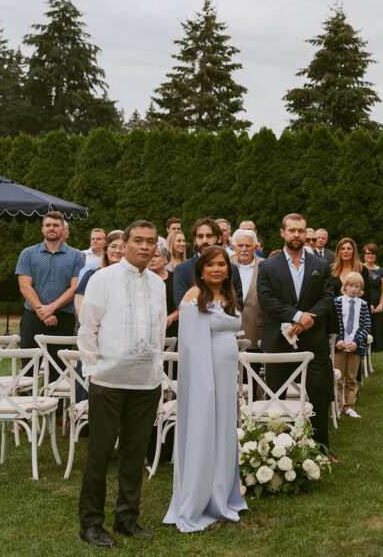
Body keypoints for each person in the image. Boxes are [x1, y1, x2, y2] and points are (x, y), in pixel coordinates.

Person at [77, 220, 165, 547]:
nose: (144, 246)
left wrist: (156, 369)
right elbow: (87, 327)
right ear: (125, 244)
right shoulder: (103, 278)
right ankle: (91, 524)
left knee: (134, 453)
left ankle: (127, 518)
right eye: (138, 240)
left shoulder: (158, 284)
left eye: (151, 241)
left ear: (157, 247)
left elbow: (159, 331)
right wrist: (92, 369)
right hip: (108, 379)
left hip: (146, 382)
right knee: (99, 453)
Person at [164, 245, 248, 532]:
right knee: (203, 434)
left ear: (228, 270)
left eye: (222, 265)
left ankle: (220, 495)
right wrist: (205, 383)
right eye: (210, 265)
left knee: (223, 432)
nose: (216, 269)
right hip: (205, 382)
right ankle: (198, 502)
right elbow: (190, 345)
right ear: (200, 270)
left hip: (225, 379)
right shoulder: (194, 297)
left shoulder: (228, 295)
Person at [257, 213, 340, 463]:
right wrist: (296, 315)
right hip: (279, 342)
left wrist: (307, 319)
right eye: (292, 230)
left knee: (319, 393)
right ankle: (276, 452)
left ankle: (320, 451)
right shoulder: (268, 266)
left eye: (301, 231)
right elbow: (266, 299)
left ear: (306, 234)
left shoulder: (320, 265)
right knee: (276, 397)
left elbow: (327, 297)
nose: (297, 235)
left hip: (314, 342)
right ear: (282, 233)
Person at [16, 211, 84, 364]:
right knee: (29, 368)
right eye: (48, 225)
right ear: (42, 229)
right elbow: (25, 287)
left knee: (59, 371)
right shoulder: (27, 254)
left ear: (63, 230)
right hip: (33, 317)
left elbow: (74, 288)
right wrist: (44, 312)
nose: (51, 228)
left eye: (56, 225)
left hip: (63, 318)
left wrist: (51, 308)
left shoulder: (76, 256)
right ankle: (29, 389)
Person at [172, 218, 243, 308]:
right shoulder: (182, 269)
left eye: (209, 236)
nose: (204, 241)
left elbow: (239, 304)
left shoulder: (232, 269)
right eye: (200, 236)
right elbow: (182, 305)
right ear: (194, 240)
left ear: (219, 239)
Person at [333, 271, 371, 418]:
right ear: (345, 286)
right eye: (351, 286)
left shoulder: (363, 305)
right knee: (338, 377)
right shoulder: (337, 302)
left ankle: (350, 406)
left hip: (355, 346)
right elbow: (333, 323)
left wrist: (357, 341)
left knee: (351, 377)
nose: (354, 289)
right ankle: (337, 407)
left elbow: (367, 325)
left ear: (361, 289)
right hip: (340, 346)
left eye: (357, 286)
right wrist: (338, 340)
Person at [75, 231, 125, 315]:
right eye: (113, 246)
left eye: (123, 247)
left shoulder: (133, 275)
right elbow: (80, 308)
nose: (117, 251)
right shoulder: (91, 274)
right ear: (106, 250)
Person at [148, 238, 180, 339]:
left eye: (156, 256)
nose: (151, 259)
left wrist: (171, 317)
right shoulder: (141, 279)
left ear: (166, 259)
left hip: (174, 330)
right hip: (150, 331)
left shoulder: (175, 278)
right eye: (149, 256)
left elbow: (184, 304)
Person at [362, 243, 383, 353]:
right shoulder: (360, 269)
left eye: (373, 253)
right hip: (364, 304)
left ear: (376, 255)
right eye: (368, 253)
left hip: (377, 306)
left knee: (376, 333)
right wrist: (369, 305)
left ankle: (370, 362)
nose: (370, 256)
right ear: (364, 255)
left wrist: (381, 305)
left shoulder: (381, 271)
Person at [230, 229, 261, 301]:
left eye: (248, 246)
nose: (244, 249)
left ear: (255, 248)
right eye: (240, 246)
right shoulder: (225, 264)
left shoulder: (265, 266)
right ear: (234, 248)